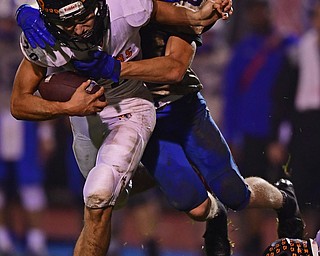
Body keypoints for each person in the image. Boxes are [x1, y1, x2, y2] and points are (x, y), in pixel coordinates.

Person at [16, 0, 306, 255]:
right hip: (130, 112)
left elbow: (174, 67)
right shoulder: (96, 12)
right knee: (196, 206)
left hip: (179, 107)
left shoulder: (153, 7)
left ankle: (283, 197)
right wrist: (27, 13)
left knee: (234, 193)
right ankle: (215, 215)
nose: (80, 27)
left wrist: (115, 69)